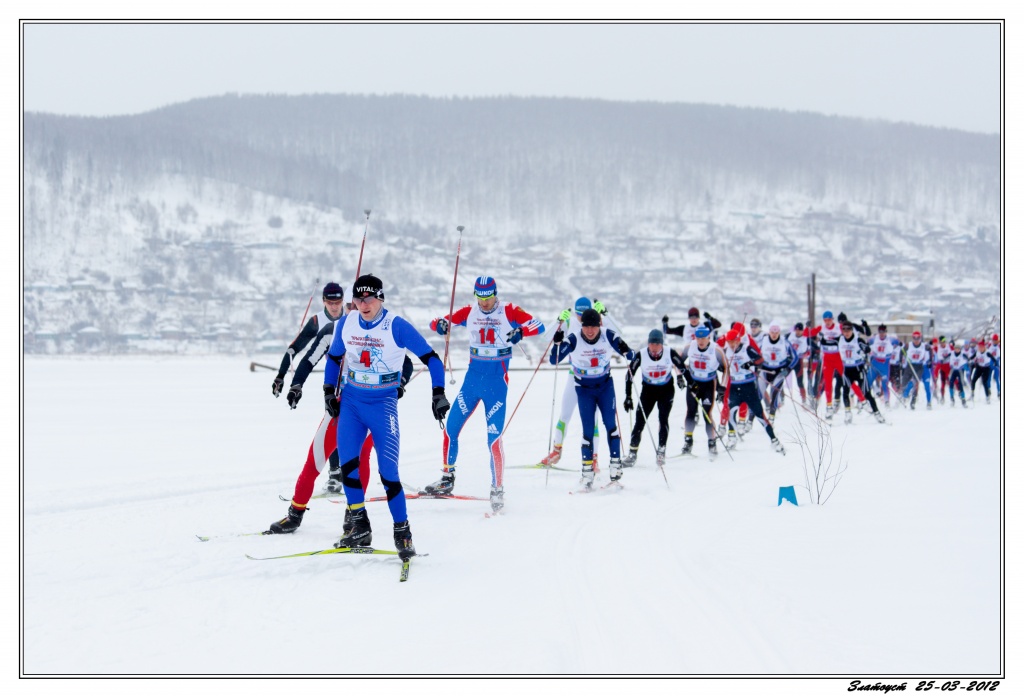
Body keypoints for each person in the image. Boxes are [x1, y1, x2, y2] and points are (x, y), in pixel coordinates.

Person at [324, 274, 450, 561]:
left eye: (368, 298)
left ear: (380, 298)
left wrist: (438, 393)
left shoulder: (396, 326)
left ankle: (402, 532)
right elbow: (334, 357)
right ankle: (359, 527)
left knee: (388, 474)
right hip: (353, 403)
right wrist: (328, 391)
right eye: (358, 299)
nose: (363, 304)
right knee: (348, 468)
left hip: (383, 405)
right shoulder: (347, 323)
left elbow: (431, 358)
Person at [422, 276, 544, 513]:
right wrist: (441, 325)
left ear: (495, 294)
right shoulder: (470, 311)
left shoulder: (508, 310)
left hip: (496, 385)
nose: (485, 303)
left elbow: (538, 324)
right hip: (472, 381)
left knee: (494, 440)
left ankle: (497, 488)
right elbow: (436, 321)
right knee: (450, 429)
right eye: (480, 297)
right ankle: (447, 478)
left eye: (488, 297)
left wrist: (520, 331)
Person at [549, 308, 635, 490]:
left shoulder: (607, 335)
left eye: (593, 327)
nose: (589, 331)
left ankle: (615, 469)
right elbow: (553, 360)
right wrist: (556, 344)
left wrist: (626, 350)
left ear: (599, 325)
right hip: (584, 389)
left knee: (611, 426)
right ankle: (587, 474)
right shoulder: (574, 338)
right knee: (588, 431)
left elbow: (630, 354)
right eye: (586, 326)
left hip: (605, 387)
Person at [539, 297, 619, 466]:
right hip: (574, 375)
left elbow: (619, 334)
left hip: (596, 379)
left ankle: (594, 457)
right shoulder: (570, 323)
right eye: (578, 315)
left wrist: (606, 314)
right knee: (565, 414)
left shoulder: (596, 323)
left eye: (584, 314)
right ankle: (556, 451)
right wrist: (559, 320)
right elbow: (546, 338)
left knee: (594, 421)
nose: (582, 319)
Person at [272, 282, 346, 399]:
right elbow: (294, 348)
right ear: (323, 301)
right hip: (334, 371)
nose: (334, 306)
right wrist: (280, 376)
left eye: (338, 302)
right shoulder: (317, 321)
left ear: (343, 300)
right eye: (330, 302)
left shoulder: (351, 315)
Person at [622, 329, 683, 467]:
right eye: (652, 344)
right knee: (639, 422)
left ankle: (661, 452)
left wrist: (688, 382)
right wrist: (628, 397)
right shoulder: (641, 355)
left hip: (666, 390)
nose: (654, 347)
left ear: (661, 344)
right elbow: (629, 376)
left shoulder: (669, 352)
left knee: (663, 419)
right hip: (648, 391)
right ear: (648, 344)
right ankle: (632, 454)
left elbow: (682, 367)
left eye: (657, 344)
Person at [722, 329, 786, 452]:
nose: (731, 344)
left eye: (733, 341)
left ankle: (774, 440)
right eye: (729, 342)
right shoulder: (725, 352)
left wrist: (750, 363)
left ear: (738, 340)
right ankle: (731, 438)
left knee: (759, 414)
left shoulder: (747, 349)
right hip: (735, 387)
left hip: (749, 386)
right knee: (731, 412)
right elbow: (720, 366)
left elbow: (760, 360)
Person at [678, 326, 729, 458]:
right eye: (698, 338)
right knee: (690, 411)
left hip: (709, 385)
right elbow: (678, 362)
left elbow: (726, 370)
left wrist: (722, 388)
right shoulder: (690, 347)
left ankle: (712, 443)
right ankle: (688, 442)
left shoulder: (716, 350)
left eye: (703, 338)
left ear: (709, 338)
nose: (700, 341)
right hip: (693, 383)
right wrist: (680, 376)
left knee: (707, 414)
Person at [837, 320, 885, 423]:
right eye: (844, 329)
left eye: (848, 329)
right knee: (845, 392)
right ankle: (848, 414)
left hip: (858, 369)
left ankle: (877, 414)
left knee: (867, 393)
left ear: (852, 330)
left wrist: (865, 349)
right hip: (847, 369)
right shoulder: (840, 339)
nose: (846, 332)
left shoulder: (857, 340)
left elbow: (865, 347)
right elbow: (827, 342)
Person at [757, 321, 799, 421]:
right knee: (759, 393)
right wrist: (754, 364)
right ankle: (750, 419)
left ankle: (772, 415)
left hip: (779, 371)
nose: (774, 334)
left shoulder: (785, 342)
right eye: (772, 332)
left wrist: (788, 369)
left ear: (779, 332)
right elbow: (754, 354)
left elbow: (795, 357)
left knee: (775, 393)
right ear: (769, 332)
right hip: (766, 370)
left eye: (776, 332)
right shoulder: (763, 341)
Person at [807, 310, 844, 417]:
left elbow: (850, 334)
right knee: (823, 382)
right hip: (825, 359)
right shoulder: (821, 328)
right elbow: (808, 334)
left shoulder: (839, 328)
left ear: (833, 319)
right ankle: (823, 403)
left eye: (829, 320)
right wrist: (807, 328)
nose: (827, 322)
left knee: (842, 382)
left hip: (838, 359)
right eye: (825, 320)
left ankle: (840, 402)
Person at [901, 331, 933, 410]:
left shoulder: (924, 346)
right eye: (914, 338)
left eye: (918, 338)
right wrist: (901, 363)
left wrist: (930, 361)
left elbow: (931, 350)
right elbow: (902, 351)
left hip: (923, 367)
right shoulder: (909, 345)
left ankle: (928, 402)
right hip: (913, 366)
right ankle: (905, 397)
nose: (916, 340)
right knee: (910, 383)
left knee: (926, 386)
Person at [866, 324, 896, 407]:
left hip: (885, 364)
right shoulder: (874, 338)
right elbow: (867, 342)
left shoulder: (890, 339)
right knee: (868, 381)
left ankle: (887, 402)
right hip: (875, 363)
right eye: (880, 332)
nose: (882, 333)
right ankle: (863, 400)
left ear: (886, 332)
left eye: (883, 332)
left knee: (884, 384)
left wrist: (900, 345)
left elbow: (899, 343)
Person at [785, 322, 810, 404]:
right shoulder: (790, 335)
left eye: (800, 330)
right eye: (796, 330)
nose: (798, 332)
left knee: (800, 382)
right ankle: (780, 398)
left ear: (803, 330)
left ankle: (804, 399)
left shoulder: (805, 338)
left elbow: (807, 351)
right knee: (781, 378)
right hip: (790, 361)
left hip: (799, 362)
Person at [970, 339, 995, 404]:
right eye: (979, 347)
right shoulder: (977, 352)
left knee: (984, 382)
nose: (980, 348)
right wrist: (968, 360)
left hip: (986, 368)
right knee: (973, 380)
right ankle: (972, 394)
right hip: (979, 368)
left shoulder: (987, 352)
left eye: (981, 347)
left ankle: (987, 397)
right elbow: (972, 357)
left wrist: (995, 363)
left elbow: (993, 358)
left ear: (984, 347)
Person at [948, 340, 970, 407]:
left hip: (960, 371)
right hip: (953, 370)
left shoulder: (963, 354)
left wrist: (967, 368)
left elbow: (967, 360)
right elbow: (945, 358)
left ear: (960, 349)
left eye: (958, 349)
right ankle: (952, 399)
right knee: (951, 384)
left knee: (961, 385)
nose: (957, 350)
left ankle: (963, 400)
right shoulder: (951, 353)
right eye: (956, 349)